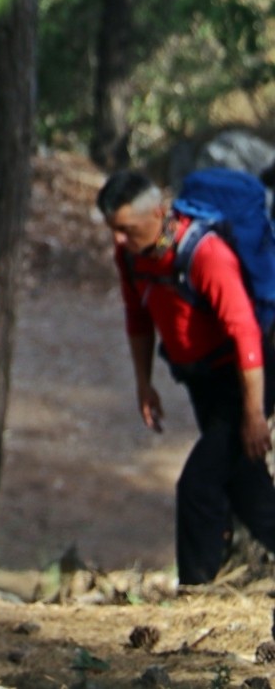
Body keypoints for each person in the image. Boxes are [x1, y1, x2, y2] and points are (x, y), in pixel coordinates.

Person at [98, 169, 275, 584]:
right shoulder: (131, 256)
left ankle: (195, 589)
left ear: (158, 214)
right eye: (113, 230)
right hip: (203, 382)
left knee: (197, 485)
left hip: (247, 375)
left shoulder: (206, 255)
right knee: (245, 487)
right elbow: (138, 318)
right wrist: (144, 383)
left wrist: (253, 412)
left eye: (126, 229)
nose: (118, 241)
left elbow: (245, 331)